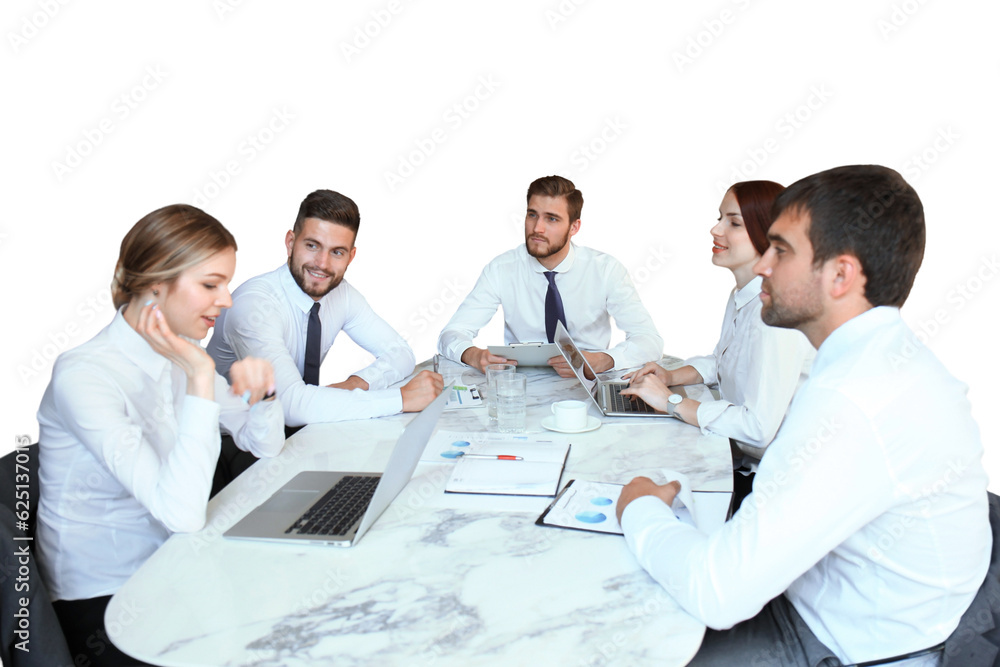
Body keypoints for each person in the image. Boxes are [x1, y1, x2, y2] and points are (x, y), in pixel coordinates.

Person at [616, 165, 990, 665]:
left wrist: (639, 506)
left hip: (832, 643)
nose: (764, 265)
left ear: (840, 275)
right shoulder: (878, 360)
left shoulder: (853, 400)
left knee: (629, 636)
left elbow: (718, 591)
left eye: (782, 250)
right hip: (841, 607)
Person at [36, 204, 285, 666]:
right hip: (104, 597)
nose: (227, 299)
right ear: (156, 283)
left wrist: (264, 393)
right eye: (211, 284)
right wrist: (199, 375)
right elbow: (183, 514)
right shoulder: (85, 375)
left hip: (174, 564)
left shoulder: (182, 352)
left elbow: (265, 446)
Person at [621, 181, 814, 507]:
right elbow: (724, 359)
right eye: (720, 218)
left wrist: (671, 403)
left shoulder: (777, 320)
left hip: (772, 487)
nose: (716, 229)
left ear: (768, 235)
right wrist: (671, 377)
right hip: (738, 460)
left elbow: (757, 429)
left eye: (734, 223)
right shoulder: (744, 296)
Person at [207, 189, 443, 428]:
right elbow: (288, 406)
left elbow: (400, 353)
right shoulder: (254, 305)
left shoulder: (341, 294)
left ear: (350, 257)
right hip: (228, 445)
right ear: (290, 243)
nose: (322, 264)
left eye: (337, 252)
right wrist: (401, 399)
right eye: (312, 245)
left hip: (287, 434)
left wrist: (353, 385)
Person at [438, 175, 663, 377]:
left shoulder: (605, 270)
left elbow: (649, 340)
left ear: (574, 227)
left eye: (551, 219)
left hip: (590, 379)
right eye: (532, 215)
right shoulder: (501, 269)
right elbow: (452, 333)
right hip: (521, 382)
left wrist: (603, 360)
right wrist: (473, 355)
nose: (537, 228)